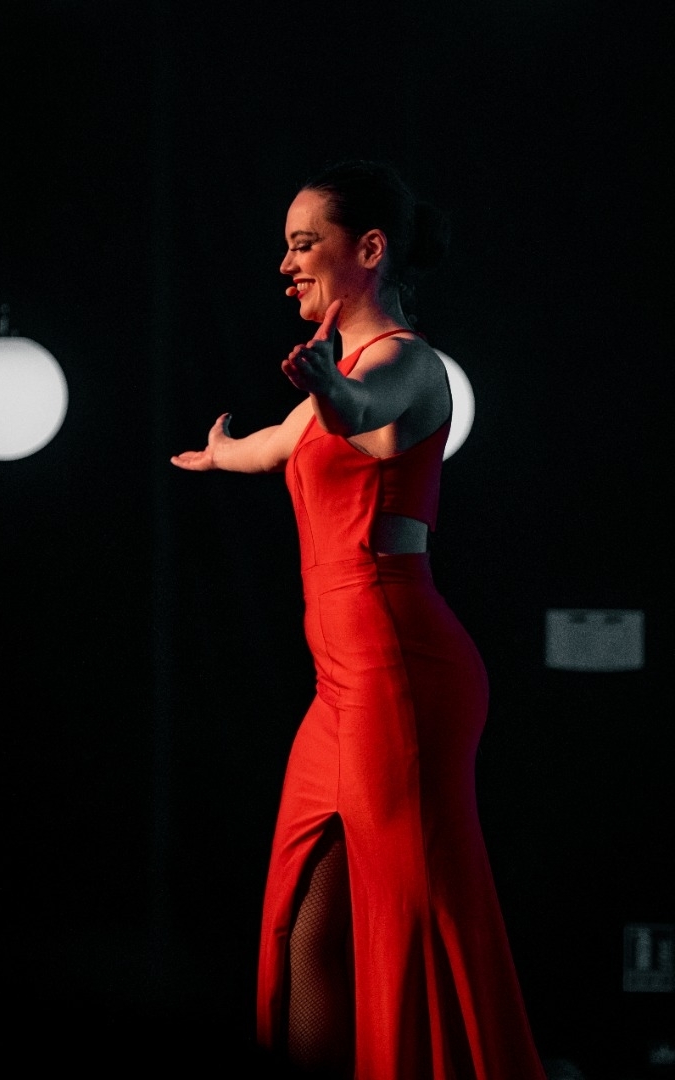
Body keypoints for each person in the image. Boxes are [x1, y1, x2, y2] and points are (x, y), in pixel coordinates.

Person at [171, 159, 547, 1080]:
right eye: (287, 247)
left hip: (401, 673)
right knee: (306, 915)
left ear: (369, 249)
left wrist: (330, 390)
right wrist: (222, 453)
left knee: (410, 918)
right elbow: (279, 444)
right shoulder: (332, 382)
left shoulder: (407, 364)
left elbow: (360, 413)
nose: (286, 266)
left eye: (305, 244)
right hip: (339, 688)